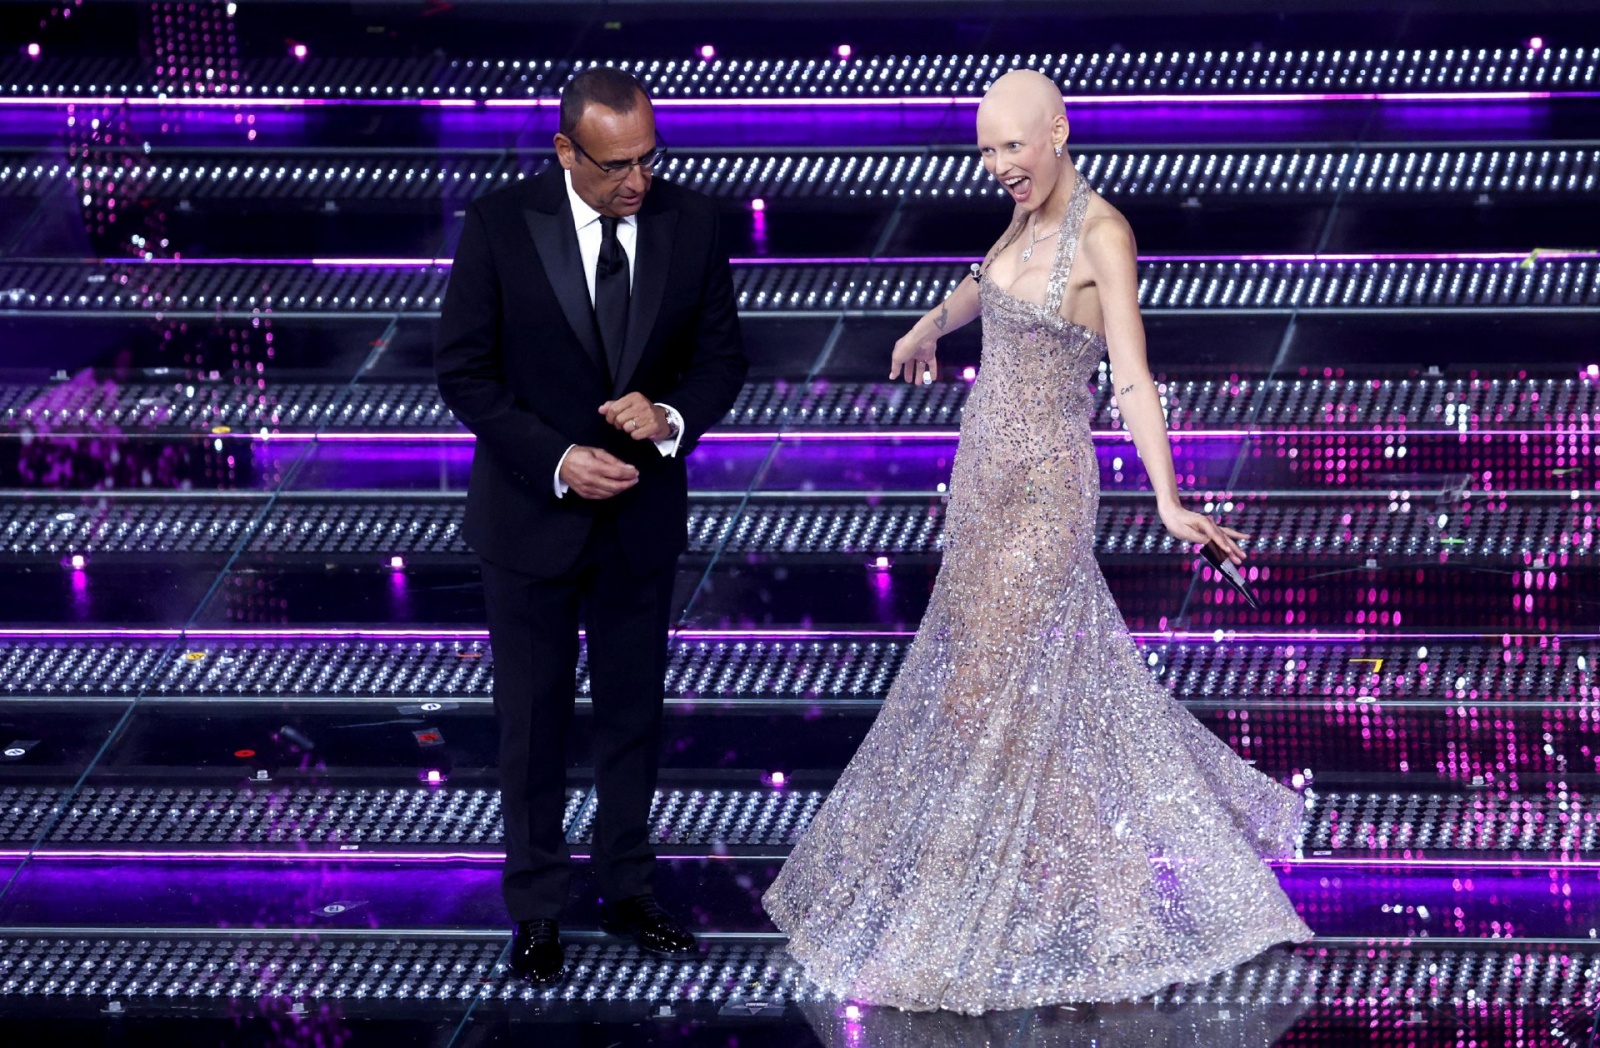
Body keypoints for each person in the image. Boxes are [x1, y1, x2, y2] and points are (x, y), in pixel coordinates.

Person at [763, 70, 1312, 1013]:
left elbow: (1134, 379)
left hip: (1047, 495)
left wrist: (1170, 502)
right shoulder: (1021, 220)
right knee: (1012, 689)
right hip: (981, 483)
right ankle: (1083, 885)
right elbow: (986, 286)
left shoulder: (1102, 232)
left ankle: (1013, 903)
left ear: (1057, 133)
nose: (999, 166)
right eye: (986, 150)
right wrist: (928, 325)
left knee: (990, 694)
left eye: (1013, 147)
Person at [435, 67, 747, 986]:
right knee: (529, 725)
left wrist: (673, 417)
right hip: (531, 519)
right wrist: (560, 461)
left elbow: (722, 356)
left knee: (632, 718)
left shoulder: (693, 222)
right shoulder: (498, 225)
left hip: (642, 520)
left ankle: (629, 887)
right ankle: (536, 907)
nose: (637, 182)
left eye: (649, 158)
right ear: (566, 150)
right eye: (616, 166)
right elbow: (465, 373)